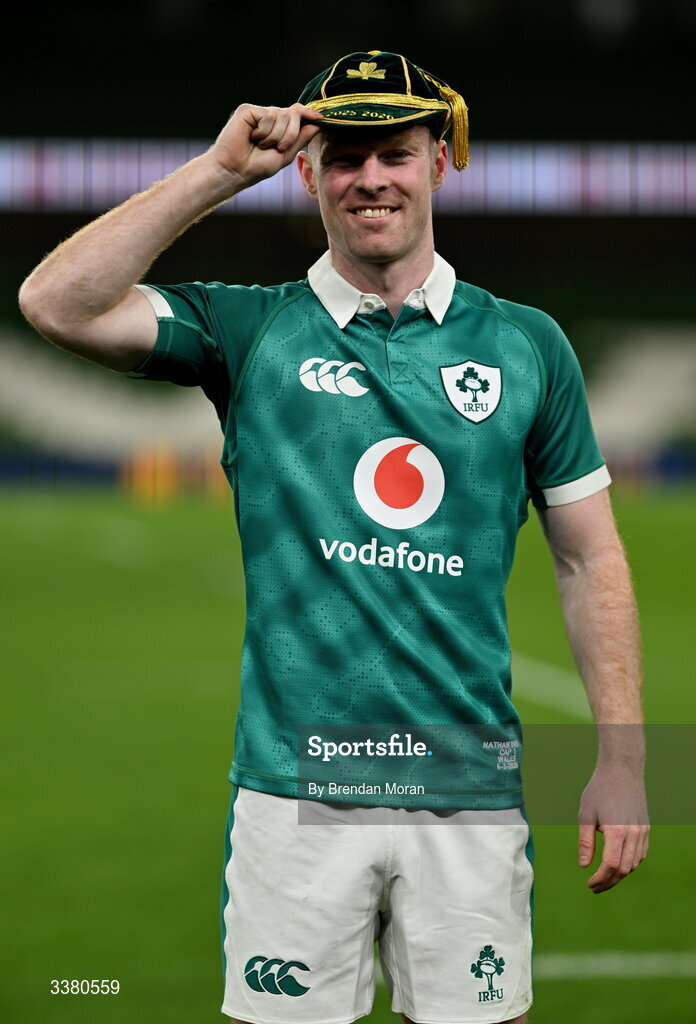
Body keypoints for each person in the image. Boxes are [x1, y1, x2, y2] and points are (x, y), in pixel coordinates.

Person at [18, 49, 648, 1024]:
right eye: (345, 158)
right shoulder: (250, 329)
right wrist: (220, 170)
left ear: (441, 160)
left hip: (467, 792)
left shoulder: (530, 344)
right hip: (294, 792)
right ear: (307, 172)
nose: (371, 180)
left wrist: (626, 756)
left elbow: (589, 556)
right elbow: (57, 303)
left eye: (395, 153)